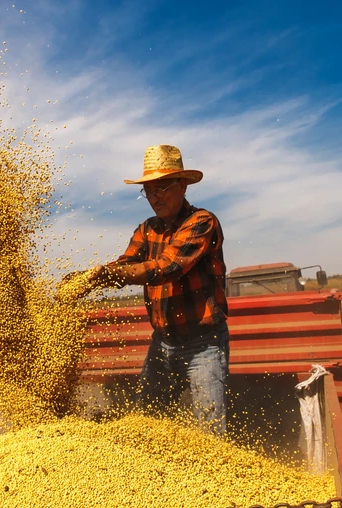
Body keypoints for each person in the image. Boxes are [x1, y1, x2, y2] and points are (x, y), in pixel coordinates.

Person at [70, 144, 230, 436]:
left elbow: (168, 267)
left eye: (161, 188)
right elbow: (126, 264)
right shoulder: (146, 229)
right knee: (147, 426)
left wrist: (108, 275)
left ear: (182, 185)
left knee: (210, 432)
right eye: (148, 191)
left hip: (203, 345)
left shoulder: (201, 222)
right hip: (163, 343)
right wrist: (90, 277)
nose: (154, 198)